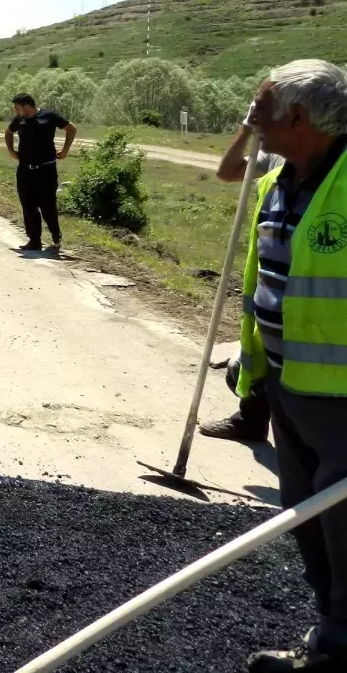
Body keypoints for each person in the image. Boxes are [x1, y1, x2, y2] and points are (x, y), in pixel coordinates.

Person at [237, 59, 347, 673]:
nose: (249, 118)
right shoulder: (279, 179)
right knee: (308, 518)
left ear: (298, 117)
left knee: (343, 527)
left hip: (341, 395)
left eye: (259, 106)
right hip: (286, 382)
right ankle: (329, 638)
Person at [199, 121, 285, 443]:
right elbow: (228, 170)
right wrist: (248, 128)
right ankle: (251, 420)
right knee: (254, 360)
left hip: (316, 278)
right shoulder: (279, 156)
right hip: (275, 272)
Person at [5, 93, 77, 252]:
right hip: (25, 170)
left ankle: (56, 238)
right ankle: (34, 241)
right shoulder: (20, 120)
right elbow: (9, 132)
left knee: (47, 205)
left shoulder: (49, 116)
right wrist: (11, 150)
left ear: (26, 106)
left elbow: (71, 128)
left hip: (46, 169)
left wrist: (65, 150)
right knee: (28, 206)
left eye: (17, 108)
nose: (16, 111)